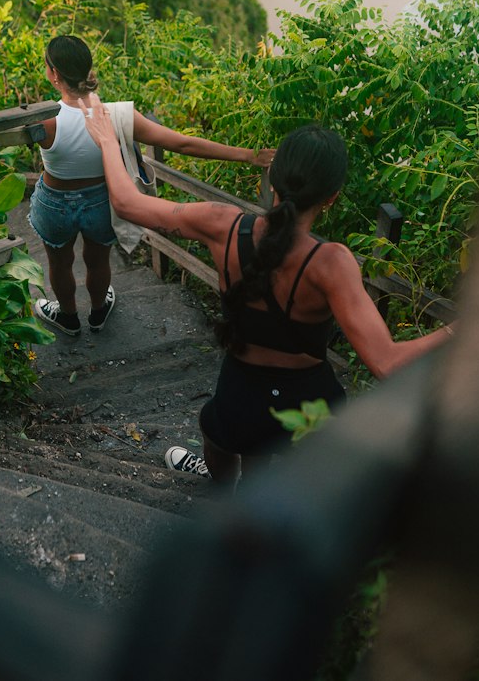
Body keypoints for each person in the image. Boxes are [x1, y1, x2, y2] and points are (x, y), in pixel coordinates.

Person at [82, 101, 454, 485]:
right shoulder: (330, 263)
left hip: (242, 386)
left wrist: (109, 141)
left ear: (272, 179)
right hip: (307, 401)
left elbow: (127, 203)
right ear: (332, 197)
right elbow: (387, 363)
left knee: (223, 438)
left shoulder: (222, 224)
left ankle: (226, 496)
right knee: (299, 482)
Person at [29, 35, 274, 336]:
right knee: (97, 259)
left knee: (59, 262)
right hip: (99, 202)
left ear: (53, 73)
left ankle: (67, 317)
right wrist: (250, 156)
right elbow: (183, 144)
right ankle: (97, 312)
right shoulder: (118, 116)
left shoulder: (43, 122)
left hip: (55, 202)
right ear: (88, 68)